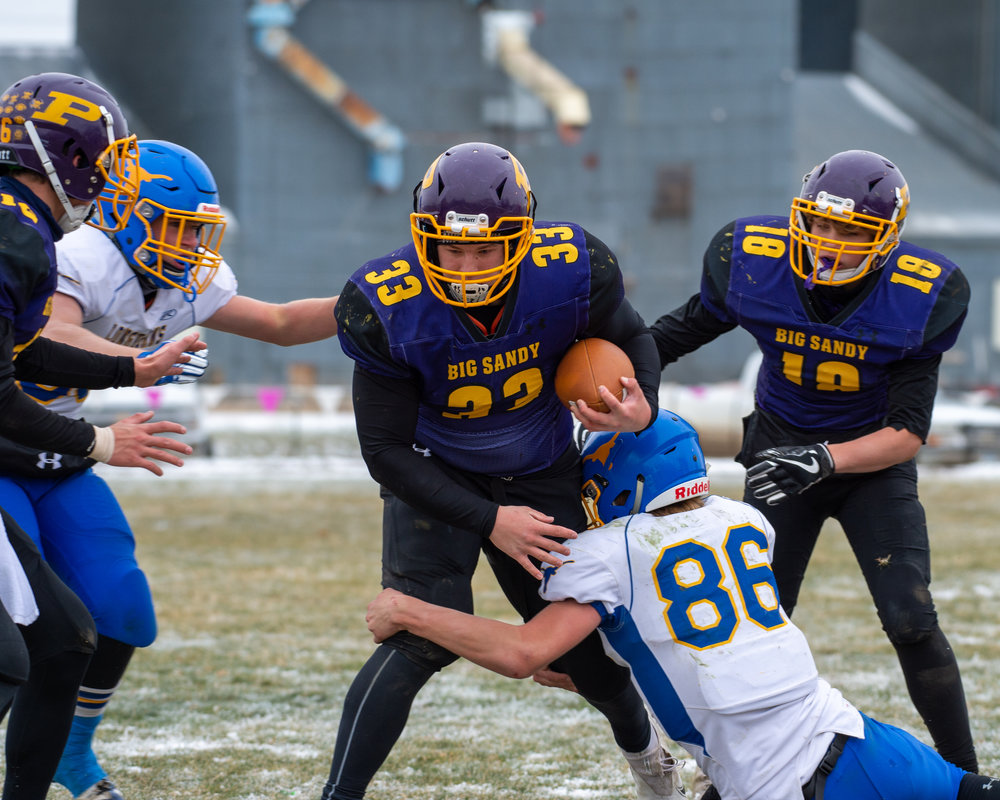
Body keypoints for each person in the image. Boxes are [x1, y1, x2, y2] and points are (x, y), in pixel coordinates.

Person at [366, 409, 998, 800]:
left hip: (790, 783)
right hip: (861, 738)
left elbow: (524, 651)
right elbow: (661, 649)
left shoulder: (613, 552)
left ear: (626, 480)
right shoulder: (743, 518)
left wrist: (408, 610)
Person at [326, 141, 681, 800]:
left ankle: (649, 763)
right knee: (418, 639)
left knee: (586, 658)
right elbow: (384, 450)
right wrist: (490, 521)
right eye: (450, 250)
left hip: (539, 467)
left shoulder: (570, 268)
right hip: (436, 473)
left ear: (520, 239)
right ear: (422, 236)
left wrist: (642, 402)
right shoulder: (387, 303)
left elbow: (634, 337)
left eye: (484, 250)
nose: (464, 267)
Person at [0, 138, 341, 800]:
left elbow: (278, 321)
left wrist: (378, 297)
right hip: (8, 457)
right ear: (124, 212)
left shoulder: (185, 279)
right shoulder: (79, 256)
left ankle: (71, 753)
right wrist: (137, 367)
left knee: (124, 611)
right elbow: (50, 335)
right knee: (32, 630)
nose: (187, 245)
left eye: (195, 230)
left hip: (66, 459)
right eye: (172, 226)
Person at [647, 149, 977, 775]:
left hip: (869, 463)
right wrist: (616, 383)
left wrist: (826, 459)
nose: (827, 243)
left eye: (848, 231)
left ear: (885, 242)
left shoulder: (919, 297)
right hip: (778, 454)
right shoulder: (756, 262)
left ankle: (964, 774)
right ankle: (733, 773)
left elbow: (908, 433)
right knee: (752, 633)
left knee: (910, 616)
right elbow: (668, 338)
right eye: (820, 224)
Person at [0, 72, 202, 800]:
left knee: (87, 626)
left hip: (44, 455)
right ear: (69, 156)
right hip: (16, 452)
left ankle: (61, 764)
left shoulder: (28, 230)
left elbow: (22, 353)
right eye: (102, 158)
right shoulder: (32, 242)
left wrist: (131, 368)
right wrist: (101, 442)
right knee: (23, 649)